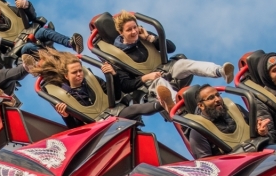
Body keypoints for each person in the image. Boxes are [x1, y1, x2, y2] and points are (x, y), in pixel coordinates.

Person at [29, 48, 173, 127]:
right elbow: (76, 128)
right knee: (126, 112)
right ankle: (163, 104)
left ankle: (165, 103)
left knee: (131, 109)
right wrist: (66, 117)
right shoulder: (61, 94)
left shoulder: (90, 80)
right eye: (75, 73)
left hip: (112, 112)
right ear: (66, 76)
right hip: (94, 127)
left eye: (80, 71)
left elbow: (115, 95)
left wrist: (113, 75)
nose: (79, 74)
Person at [106, 11, 233, 99]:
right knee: (160, 83)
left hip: (165, 69)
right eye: (129, 30)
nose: (134, 32)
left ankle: (220, 71)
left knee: (184, 63)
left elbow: (171, 48)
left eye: (135, 27)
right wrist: (146, 77)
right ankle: (177, 105)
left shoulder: (143, 36)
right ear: (120, 32)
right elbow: (125, 86)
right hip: (149, 83)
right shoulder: (118, 56)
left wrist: (151, 38)